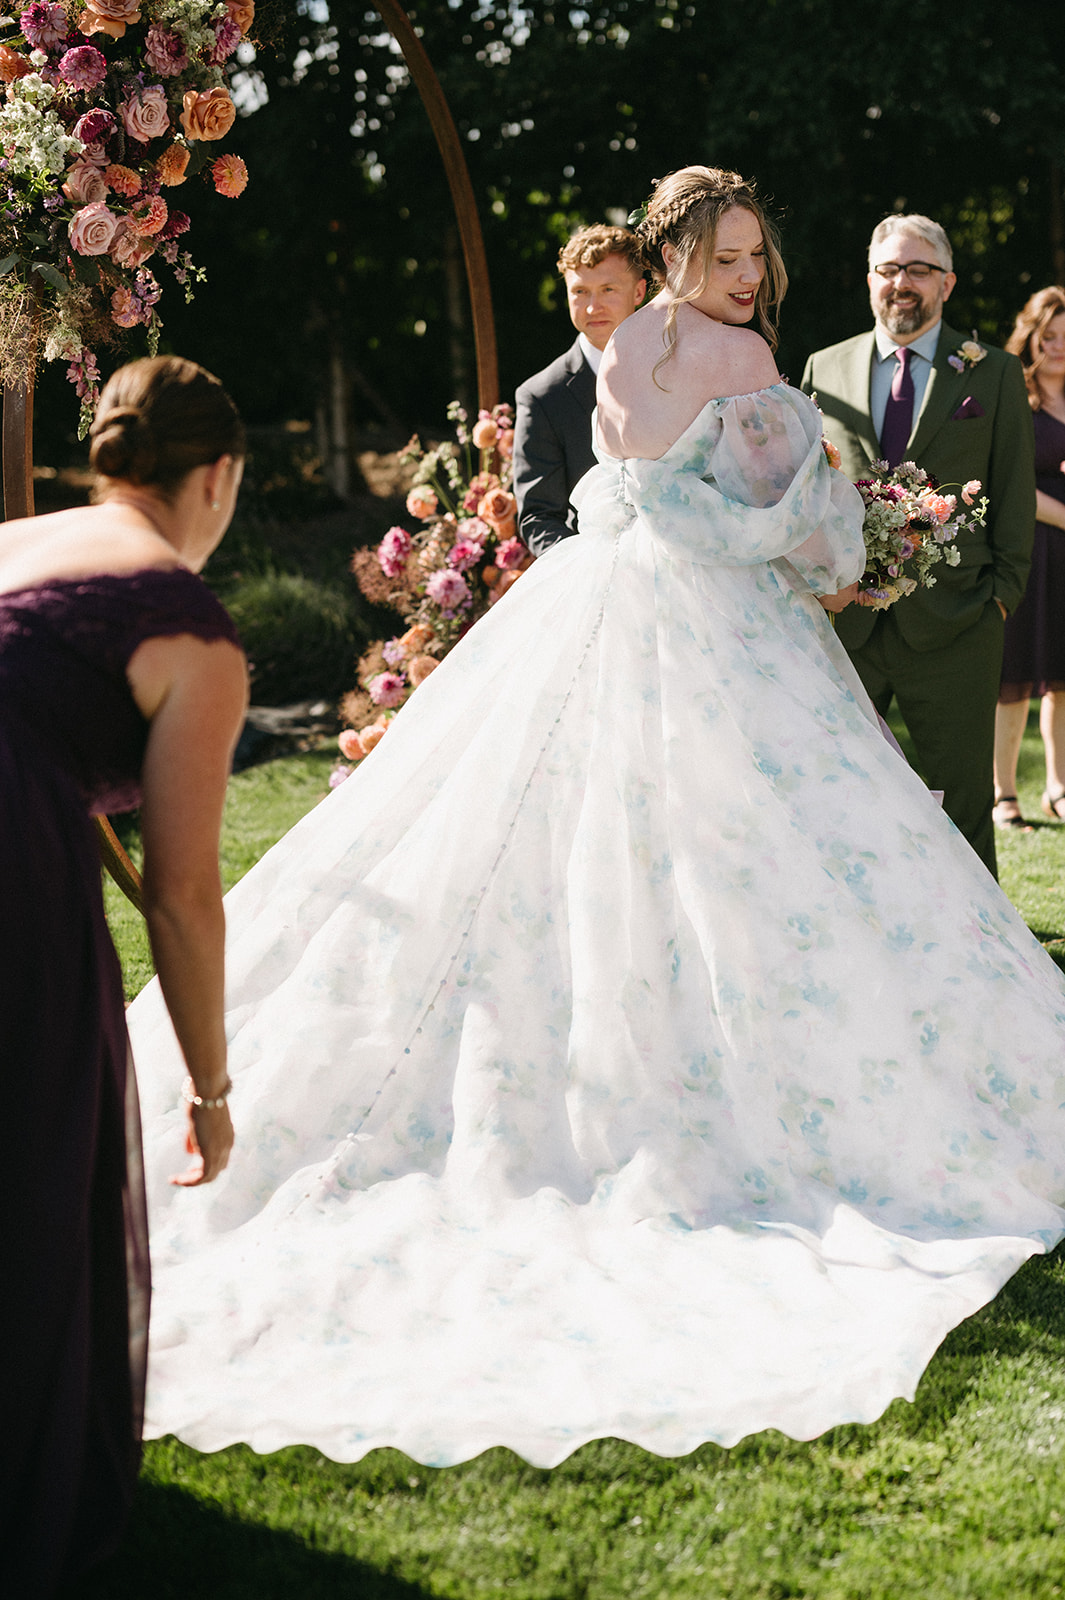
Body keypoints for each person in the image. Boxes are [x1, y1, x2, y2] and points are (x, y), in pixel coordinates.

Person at [129, 169, 1065, 1472]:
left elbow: (629, 479)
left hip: (594, 603)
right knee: (763, 853)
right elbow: (792, 519)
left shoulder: (623, 344)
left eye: (756, 257)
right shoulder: (742, 353)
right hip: (721, 633)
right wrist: (854, 537)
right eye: (730, 254)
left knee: (583, 845)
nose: (751, 278)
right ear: (678, 250)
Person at [0, 356, 247, 1597]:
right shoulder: (191, 631)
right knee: (32, 1172)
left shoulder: (13, 541)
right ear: (217, 478)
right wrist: (210, 1087)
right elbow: (184, 896)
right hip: (14, 887)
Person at [801, 214, 1036, 877]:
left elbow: (1014, 491)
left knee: (960, 800)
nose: (900, 284)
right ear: (868, 278)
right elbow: (806, 488)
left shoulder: (990, 373)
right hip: (845, 624)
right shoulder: (824, 366)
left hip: (958, 621)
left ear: (946, 282)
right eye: (887, 269)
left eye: (917, 270)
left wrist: (1001, 596)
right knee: (837, 790)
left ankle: (983, 955)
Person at [513, 223, 646, 557]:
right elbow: (539, 516)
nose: (592, 307)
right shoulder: (542, 396)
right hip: (592, 569)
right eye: (580, 291)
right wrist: (591, 568)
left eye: (608, 289)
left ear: (639, 292)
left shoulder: (676, 368)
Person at [992, 286, 1065, 828]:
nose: (1059, 346)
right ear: (1032, 337)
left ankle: (1059, 788)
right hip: (1031, 548)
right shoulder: (1012, 394)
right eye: (1049, 336)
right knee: (1015, 676)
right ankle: (1004, 793)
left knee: (1062, 677)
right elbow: (1007, 479)